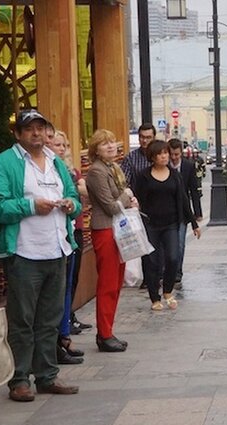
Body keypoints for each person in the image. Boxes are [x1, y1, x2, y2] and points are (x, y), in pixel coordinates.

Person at [0, 109, 83, 402]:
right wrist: (29, 207)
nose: (36, 134)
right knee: (23, 320)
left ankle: (47, 375)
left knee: (50, 318)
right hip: (23, 253)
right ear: (18, 134)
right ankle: (19, 380)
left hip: (58, 248)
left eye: (41, 128)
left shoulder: (56, 162)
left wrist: (70, 205)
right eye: (29, 129)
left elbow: (76, 199)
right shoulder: (2, 164)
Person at [85, 129, 138, 352]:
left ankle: (108, 331)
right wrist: (127, 195)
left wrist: (126, 197)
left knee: (116, 282)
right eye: (104, 144)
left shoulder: (111, 168)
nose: (110, 147)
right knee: (108, 284)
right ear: (96, 150)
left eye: (112, 142)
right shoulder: (97, 172)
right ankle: (104, 334)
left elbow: (119, 201)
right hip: (105, 230)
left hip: (116, 229)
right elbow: (110, 206)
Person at [135, 139, 201, 310]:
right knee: (152, 261)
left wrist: (194, 223)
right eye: (160, 154)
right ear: (153, 157)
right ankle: (154, 298)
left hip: (171, 223)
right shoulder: (143, 176)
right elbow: (137, 198)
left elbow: (183, 200)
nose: (164, 156)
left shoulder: (174, 175)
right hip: (150, 224)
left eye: (166, 153)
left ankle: (168, 290)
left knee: (173, 257)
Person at [49, 129, 87, 365]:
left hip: (71, 233)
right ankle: (57, 341)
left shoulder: (67, 171)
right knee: (55, 293)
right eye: (57, 144)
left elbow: (79, 195)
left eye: (64, 145)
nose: (61, 149)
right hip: (51, 239)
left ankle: (63, 336)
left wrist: (71, 203)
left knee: (67, 287)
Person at [167, 138, 203, 285]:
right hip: (167, 211)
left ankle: (177, 271)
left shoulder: (188, 166)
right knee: (168, 244)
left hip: (182, 211)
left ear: (181, 152)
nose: (174, 158)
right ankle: (168, 270)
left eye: (176, 154)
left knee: (180, 243)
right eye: (171, 154)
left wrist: (197, 212)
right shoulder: (164, 166)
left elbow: (194, 190)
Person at [120, 123, 156, 192]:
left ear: (154, 138)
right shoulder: (130, 158)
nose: (144, 141)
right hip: (138, 197)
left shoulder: (160, 156)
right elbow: (124, 182)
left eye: (148, 137)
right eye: (142, 137)